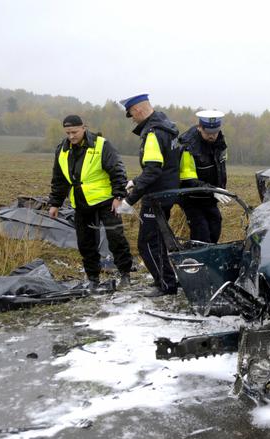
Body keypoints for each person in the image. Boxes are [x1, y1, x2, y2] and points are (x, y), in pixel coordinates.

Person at [48, 115, 133, 290]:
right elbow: (59, 179)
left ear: (84, 127)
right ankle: (93, 277)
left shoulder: (101, 145)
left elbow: (117, 170)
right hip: (81, 202)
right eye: (68, 132)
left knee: (116, 238)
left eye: (74, 132)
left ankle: (125, 274)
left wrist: (118, 196)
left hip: (106, 201)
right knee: (85, 243)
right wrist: (55, 203)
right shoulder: (62, 150)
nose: (71, 136)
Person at [119, 94, 180, 297]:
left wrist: (130, 200)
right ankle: (168, 281)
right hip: (168, 193)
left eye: (131, 115)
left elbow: (153, 170)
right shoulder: (167, 127)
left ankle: (165, 285)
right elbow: (165, 166)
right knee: (159, 241)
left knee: (147, 243)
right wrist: (136, 181)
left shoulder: (152, 133)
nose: (132, 119)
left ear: (137, 110)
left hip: (156, 196)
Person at [178, 110, 230, 243]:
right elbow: (188, 180)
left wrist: (217, 189)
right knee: (202, 235)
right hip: (192, 199)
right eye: (208, 133)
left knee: (215, 229)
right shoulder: (188, 148)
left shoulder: (220, 143)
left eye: (215, 132)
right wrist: (213, 190)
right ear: (199, 127)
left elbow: (221, 168)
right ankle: (198, 262)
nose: (212, 136)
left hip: (210, 199)